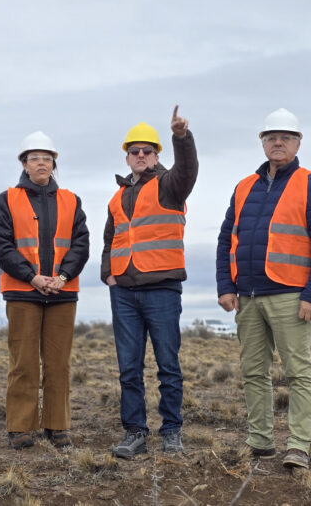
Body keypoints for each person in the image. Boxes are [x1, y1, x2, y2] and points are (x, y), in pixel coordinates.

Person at [216, 108, 311, 470]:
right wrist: (227, 286)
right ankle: (260, 442)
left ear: (298, 142)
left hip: (291, 296)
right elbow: (228, 239)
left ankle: (298, 446)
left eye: (285, 137)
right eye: (271, 137)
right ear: (262, 142)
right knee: (253, 372)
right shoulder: (243, 187)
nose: (278, 142)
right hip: (248, 297)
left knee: (298, 372)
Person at [102, 106, 198, 458]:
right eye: (134, 151)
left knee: (167, 365)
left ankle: (171, 430)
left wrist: (181, 138)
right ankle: (135, 432)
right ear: (127, 157)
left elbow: (188, 168)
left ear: (157, 155)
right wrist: (108, 275)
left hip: (161, 289)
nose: (140, 156)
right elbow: (110, 239)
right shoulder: (117, 196)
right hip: (124, 292)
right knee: (129, 368)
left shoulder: (170, 185)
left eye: (147, 150)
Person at [0, 131, 89, 449]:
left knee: (59, 363)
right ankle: (20, 428)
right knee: (24, 362)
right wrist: (32, 277)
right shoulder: (7, 199)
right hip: (23, 293)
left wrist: (63, 276)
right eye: (35, 158)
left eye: (47, 158)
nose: (42, 163)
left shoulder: (71, 201)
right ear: (24, 163)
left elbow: (81, 244)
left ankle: (57, 426)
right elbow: (2, 246)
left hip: (62, 292)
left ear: (54, 163)